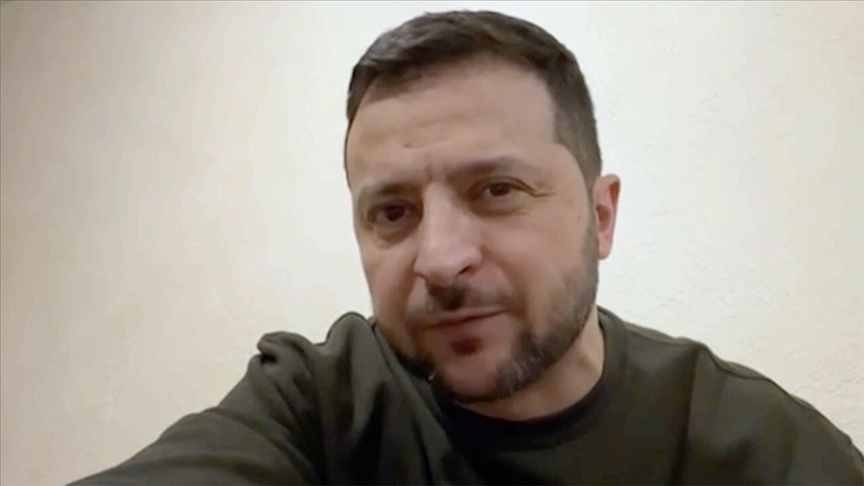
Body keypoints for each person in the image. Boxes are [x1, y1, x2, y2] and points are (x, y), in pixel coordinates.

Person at [71, 10, 863, 485]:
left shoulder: (757, 448)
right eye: (393, 212)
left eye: (496, 190)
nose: (439, 259)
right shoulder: (321, 408)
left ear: (600, 216)